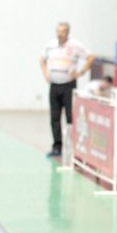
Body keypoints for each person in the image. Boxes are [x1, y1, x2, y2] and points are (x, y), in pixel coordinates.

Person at [40, 22, 93, 157]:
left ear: (67, 33)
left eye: (63, 31)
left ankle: (73, 147)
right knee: (55, 117)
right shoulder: (51, 45)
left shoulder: (75, 46)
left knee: (71, 116)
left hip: (68, 85)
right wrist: (46, 73)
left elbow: (90, 57)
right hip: (54, 85)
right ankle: (57, 146)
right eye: (58, 31)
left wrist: (80, 72)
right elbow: (42, 59)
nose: (60, 34)